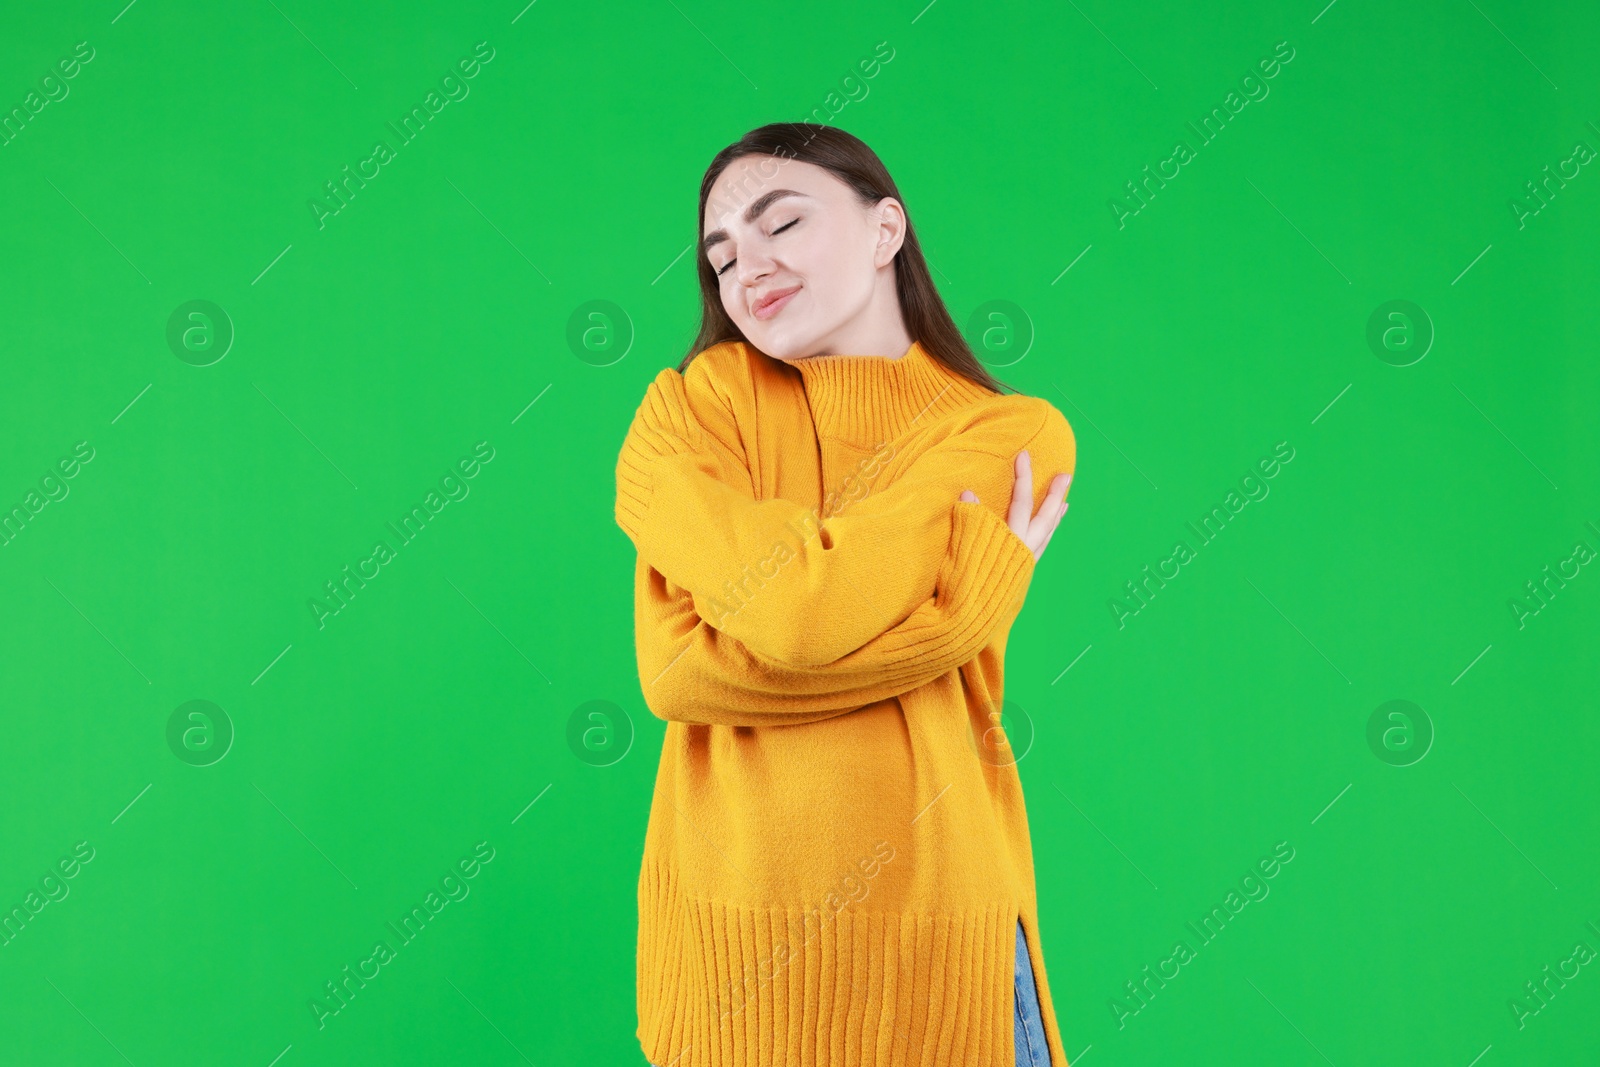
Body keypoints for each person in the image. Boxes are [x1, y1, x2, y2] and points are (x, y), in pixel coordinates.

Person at [616, 121, 1076, 1067]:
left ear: (885, 230)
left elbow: (798, 612)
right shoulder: (701, 400)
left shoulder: (1008, 434)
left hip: (943, 964)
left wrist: (800, 592)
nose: (749, 267)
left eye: (781, 223)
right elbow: (674, 673)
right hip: (728, 972)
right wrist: (960, 620)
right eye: (722, 256)